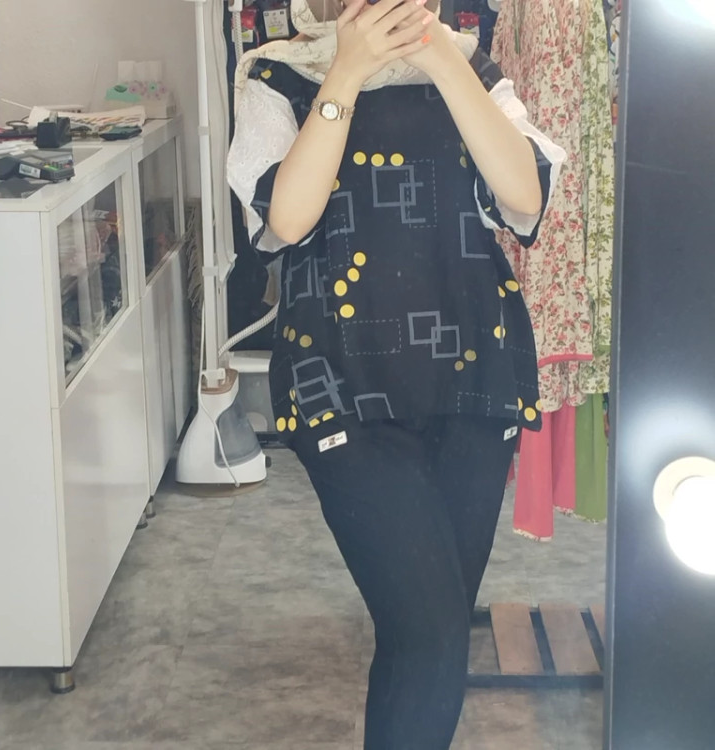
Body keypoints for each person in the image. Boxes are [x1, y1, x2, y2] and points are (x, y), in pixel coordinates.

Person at [226, 1, 566, 747]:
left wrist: (441, 56)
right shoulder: (279, 75)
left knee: (429, 635)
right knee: (430, 632)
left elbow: (524, 198)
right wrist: (347, 71)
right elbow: (287, 221)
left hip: (472, 379)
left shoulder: (472, 68)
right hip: (338, 384)